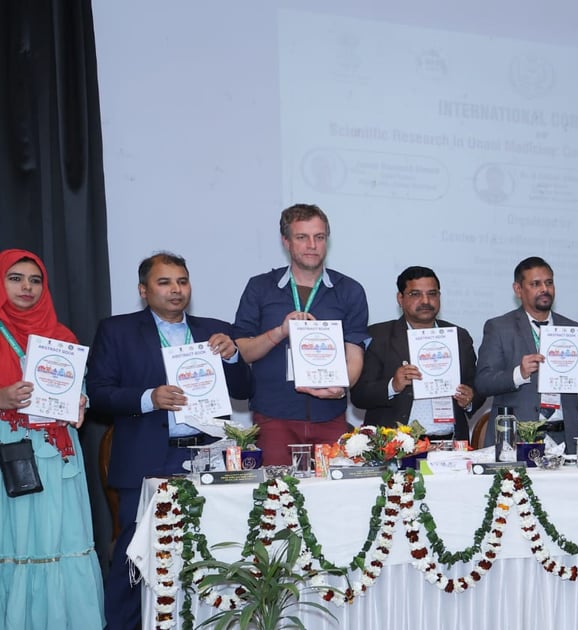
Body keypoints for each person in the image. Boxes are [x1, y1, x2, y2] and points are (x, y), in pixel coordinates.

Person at [88, 252, 253, 630]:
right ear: (143, 290)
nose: (176, 290)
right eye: (164, 282)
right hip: (146, 460)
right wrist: (149, 398)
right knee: (135, 558)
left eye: (182, 281)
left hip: (206, 456)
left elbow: (245, 389)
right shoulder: (117, 330)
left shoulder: (215, 330)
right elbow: (98, 394)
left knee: (211, 549)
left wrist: (232, 358)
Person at [0, 249, 103, 629]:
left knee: (64, 537)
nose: (26, 287)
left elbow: (78, 389)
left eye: (35, 280)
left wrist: (81, 402)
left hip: (58, 452)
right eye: (15, 278)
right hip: (9, 450)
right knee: (17, 539)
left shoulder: (61, 337)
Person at [233, 204, 369, 465]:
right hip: (274, 416)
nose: (312, 245)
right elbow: (243, 351)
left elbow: (354, 353)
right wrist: (279, 332)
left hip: (330, 416)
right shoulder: (260, 287)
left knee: (335, 489)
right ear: (286, 241)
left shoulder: (349, 290)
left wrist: (341, 388)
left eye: (319, 237)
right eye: (302, 237)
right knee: (276, 489)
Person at [475, 257, 578, 452]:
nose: (544, 289)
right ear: (518, 289)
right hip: (517, 439)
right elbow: (483, 382)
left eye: (549, 283)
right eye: (535, 284)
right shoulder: (499, 327)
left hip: (565, 438)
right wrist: (519, 374)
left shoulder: (571, 328)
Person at [351, 266, 481, 440]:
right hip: (396, 444)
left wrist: (470, 400)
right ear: (400, 298)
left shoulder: (459, 336)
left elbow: (478, 385)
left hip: (450, 442)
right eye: (415, 294)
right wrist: (392, 385)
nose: (425, 300)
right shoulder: (378, 336)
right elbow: (359, 395)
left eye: (432, 294)